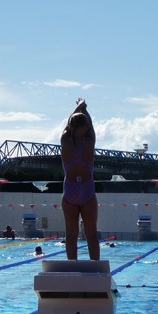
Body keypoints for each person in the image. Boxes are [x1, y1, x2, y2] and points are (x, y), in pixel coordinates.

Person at [61, 98, 100, 260]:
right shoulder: (90, 142)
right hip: (87, 191)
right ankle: (96, 267)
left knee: (71, 235)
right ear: (85, 127)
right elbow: (90, 126)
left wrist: (78, 107)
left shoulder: (65, 141)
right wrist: (84, 107)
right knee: (91, 234)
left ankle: (72, 266)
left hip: (70, 191)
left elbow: (68, 124)